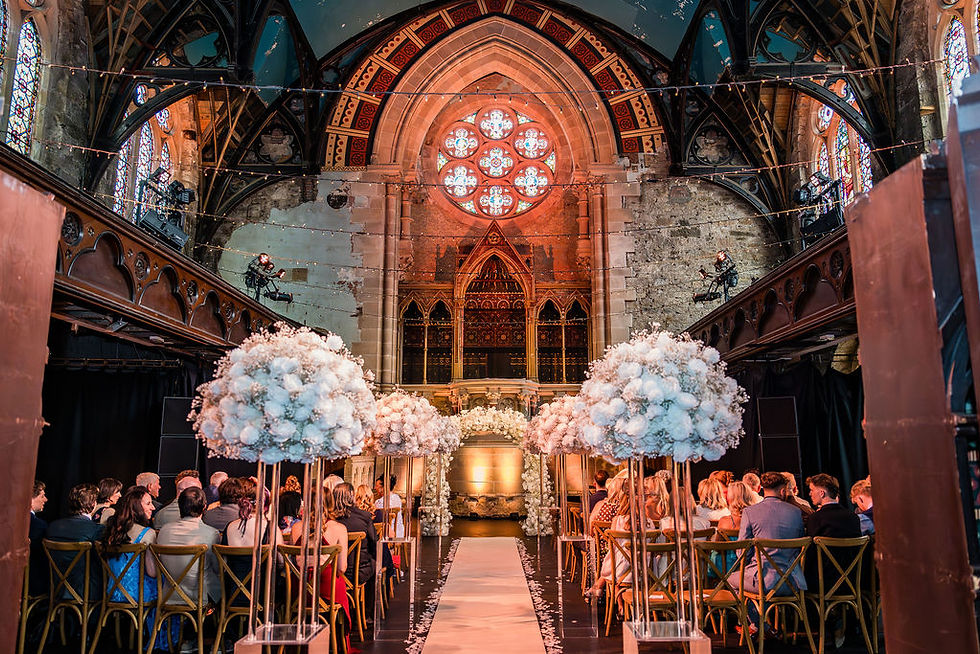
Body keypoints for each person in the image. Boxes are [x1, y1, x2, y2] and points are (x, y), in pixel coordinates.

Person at [101, 486, 178, 648]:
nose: (153, 507)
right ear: (137, 506)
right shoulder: (147, 533)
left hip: (113, 591)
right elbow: (152, 572)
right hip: (139, 595)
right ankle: (171, 641)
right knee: (171, 585)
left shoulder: (111, 530)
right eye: (148, 503)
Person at [737, 472, 806, 595]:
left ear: (763, 489)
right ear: (783, 491)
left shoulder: (749, 512)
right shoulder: (796, 512)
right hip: (793, 581)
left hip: (762, 580)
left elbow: (742, 553)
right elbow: (799, 545)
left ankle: (757, 614)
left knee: (728, 581)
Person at [156, 487, 222, 604]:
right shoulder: (211, 533)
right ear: (204, 507)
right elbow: (217, 568)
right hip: (200, 596)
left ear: (179, 506)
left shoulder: (164, 531)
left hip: (169, 595)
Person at [45, 483, 105, 598]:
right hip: (87, 591)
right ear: (93, 504)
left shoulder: (53, 527)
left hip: (56, 588)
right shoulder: (96, 529)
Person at [319, 490, 351, 652]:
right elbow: (342, 568)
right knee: (338, 581)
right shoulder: (339, 528)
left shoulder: (297, 527)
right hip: (327, 587)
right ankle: (336, 642)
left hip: (300, 590)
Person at [806, 474, 861, 539]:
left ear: (822, 493)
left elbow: (811, 547)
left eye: (811, 490)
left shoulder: (815, 519)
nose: (810, 494)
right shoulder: (854, 517)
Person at [28, 480, 48, 595]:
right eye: (42, 496)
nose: (45, 499)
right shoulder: (39, 526)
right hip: (34, 583)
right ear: (30, 499)